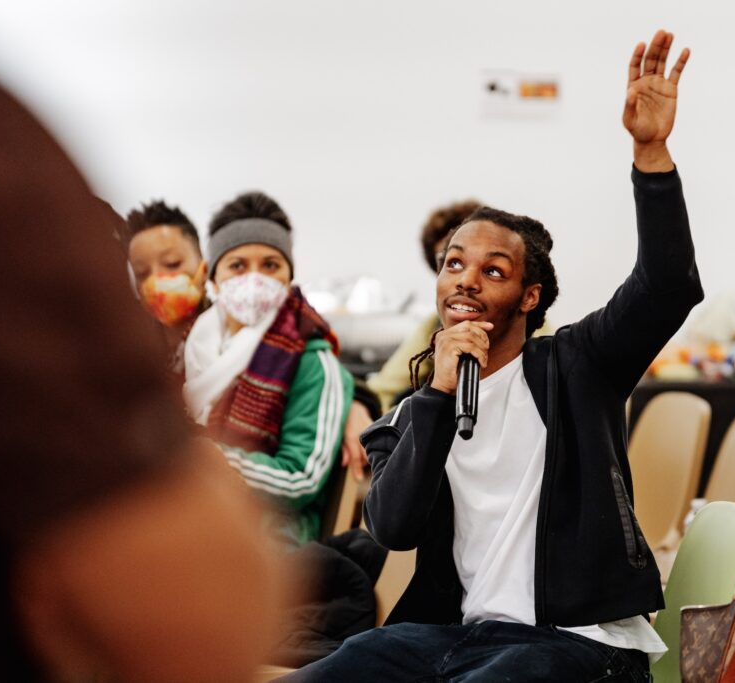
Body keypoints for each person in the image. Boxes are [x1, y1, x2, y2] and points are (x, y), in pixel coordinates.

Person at [278, 28, 700, 682]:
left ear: (530, 296)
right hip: (462, 634)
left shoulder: (576, 366)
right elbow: (392, 525)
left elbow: (668, 284)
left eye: (493, 270)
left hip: (580, 642)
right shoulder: (418, 410)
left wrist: (652, 153)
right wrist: (439, 397)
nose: (466, 280)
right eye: (453, 264)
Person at [0, 66, 285, 682]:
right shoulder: (3, 170)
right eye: (141, 269)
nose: (156, 281)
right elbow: (188, 610)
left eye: (174, 263)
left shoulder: (287, 352)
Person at [184, 190, 372, 544]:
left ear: (289, 276)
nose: (254, 279)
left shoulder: (311, 360)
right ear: (212, 279)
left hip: (268, 544)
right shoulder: (191, 348)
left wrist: (211, 460)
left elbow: (301, 479)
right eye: (237, 265)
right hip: (192, 522)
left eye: (270, 265)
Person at [367, 199, 481, 413]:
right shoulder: (433, 327)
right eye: (451, 263)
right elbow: (382, 390)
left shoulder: (528, 328)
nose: (464, 280)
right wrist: (359, 403)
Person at [125, 200, 209, 376]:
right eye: (142, 273)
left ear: (204, 271)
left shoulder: (233, 336)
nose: (156, 279)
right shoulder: (132, 347)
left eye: (172, 264)